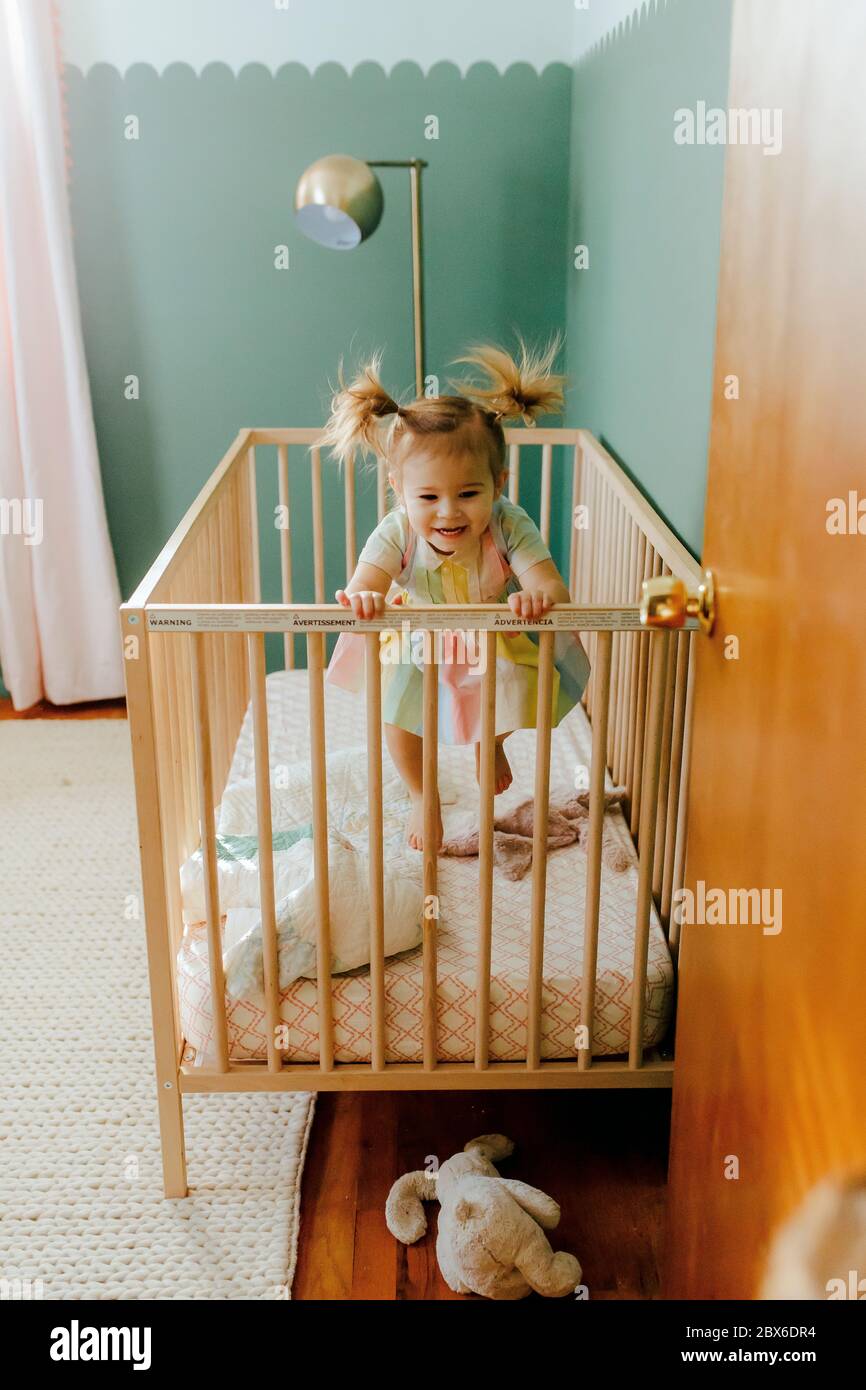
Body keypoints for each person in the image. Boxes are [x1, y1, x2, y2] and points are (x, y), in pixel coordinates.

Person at [318, 334, 591, 851]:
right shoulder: (397, 529)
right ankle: (423, 793)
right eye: (429, 496)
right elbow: (364, 583)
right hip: (419, 637)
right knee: (398, 717)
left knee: (515, 692)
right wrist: (367, 598)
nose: (448, 512)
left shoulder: (510, 524)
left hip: (489, 634)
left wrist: (537, 597)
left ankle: (493, 745)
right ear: (398, 488)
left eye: (469, 494)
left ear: (498, 483)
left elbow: (548, 582)